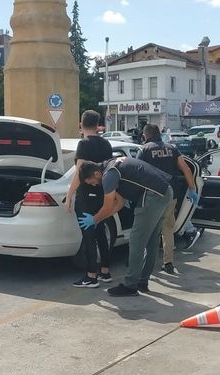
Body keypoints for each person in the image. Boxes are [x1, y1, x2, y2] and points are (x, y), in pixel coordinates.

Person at [78, 157, 173, 297]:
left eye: (91, 182)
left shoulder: (108, 175)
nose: (93, 185)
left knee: (136, 240)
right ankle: (142, 282)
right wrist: (100, 219)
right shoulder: (113, 165)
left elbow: (108, 205)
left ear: (96, 174)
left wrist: (94, 218)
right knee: (152, 239)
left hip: (153, 196)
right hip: (164, 192)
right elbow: (120, 203)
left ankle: (131, 285)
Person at [137, 124, 198, 274]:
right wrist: (192, 189)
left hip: (152, 194)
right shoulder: (171, 148)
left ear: (146, 136)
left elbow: (137, 171)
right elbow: (186, 169)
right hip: (171, 195)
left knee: (149, 230)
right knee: (168, 229)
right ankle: (168, 263)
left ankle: (145, 264)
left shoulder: (144, 150)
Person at [65, 110, 113, 288]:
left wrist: (70, 195)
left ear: (81, 125)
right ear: (98, 124)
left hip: (86, 194)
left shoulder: (83, 144)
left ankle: (91, 276)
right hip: (103, 192)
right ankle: (105, 271)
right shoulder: (106, 144)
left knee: (88, 235)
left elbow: (79, 172)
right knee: (100, 231)